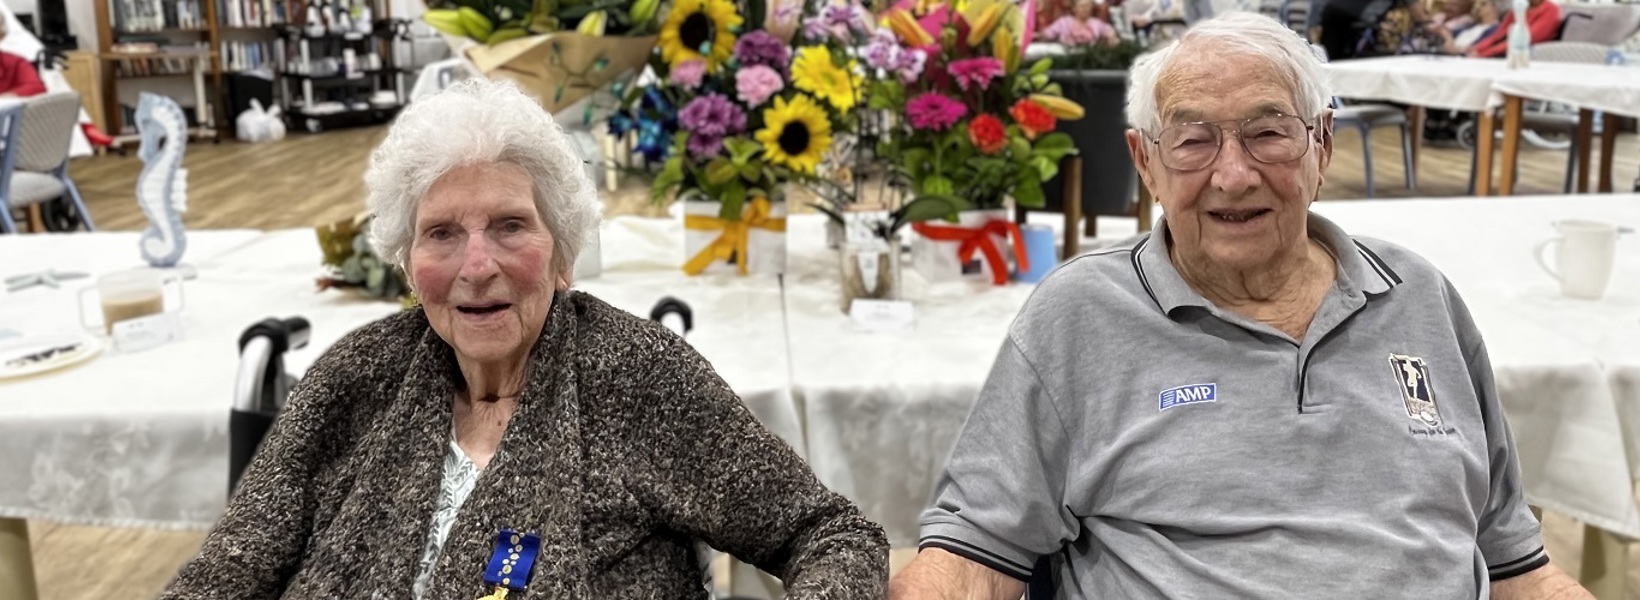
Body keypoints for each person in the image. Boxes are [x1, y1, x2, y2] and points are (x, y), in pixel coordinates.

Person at [888, 12, 1595, 600]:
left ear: (1321, 144)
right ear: (1145, 162)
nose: (1233, 174)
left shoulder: (1420, 296)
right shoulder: (1080, 316)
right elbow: (974, 556)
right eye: (1194, 141)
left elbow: (1517, 567)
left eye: (1268, 133)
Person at [160, 78, 888, 599]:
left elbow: (829, 537)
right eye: (441, 233)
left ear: (563, 252)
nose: (477, 267)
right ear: (409, 264)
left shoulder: (633, 376)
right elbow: (231, 566)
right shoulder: (354, 377)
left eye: (510, 226)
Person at [1467, 0, 1560, 57]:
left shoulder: (1550, 10)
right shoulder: (1519, 7)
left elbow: (1527, 39)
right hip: (1501, 51)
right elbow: (1498, 35)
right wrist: (1477, 48)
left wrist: (1485, 54)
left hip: (1524, 54)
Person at [1040, 0, 1119, 46]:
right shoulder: (1064, 22)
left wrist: (1111, 36)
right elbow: (1047, 34)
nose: (1085, 9)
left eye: (1087, 6)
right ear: (1074, 9)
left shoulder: (1096, 23)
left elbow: (1109, 30)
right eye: (1082, 6)